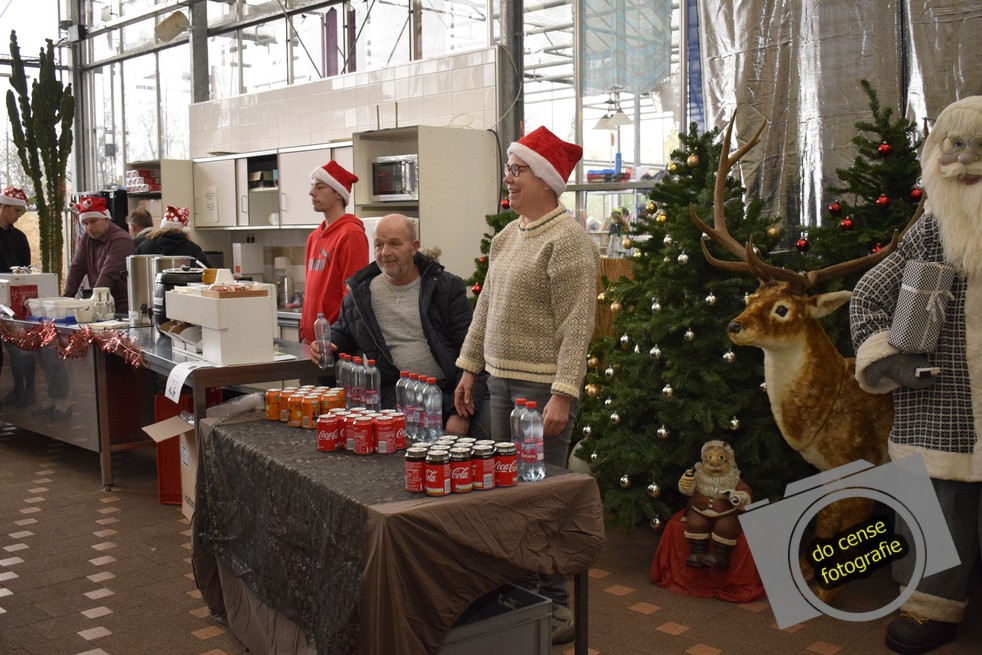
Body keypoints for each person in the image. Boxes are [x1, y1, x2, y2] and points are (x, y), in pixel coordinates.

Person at [453, 125, 599, 645]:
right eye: (509, 170)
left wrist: (564, 392)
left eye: (516, 170)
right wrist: (469, 367)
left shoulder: (569, 240)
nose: (508, 179)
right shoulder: (507, 237)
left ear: (544, 178)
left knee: (540, 500)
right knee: (507, 495)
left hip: (540, 394)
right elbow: (485, 308)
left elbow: (577, 325)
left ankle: (556, 606)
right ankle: (518, 595)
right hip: (499, 382)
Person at [850, 95, 982, 655]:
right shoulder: (930, 233)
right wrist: (891, 360)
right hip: (943, 404)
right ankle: (932, 605)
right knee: (941, 504)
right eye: (956, 145)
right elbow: (869, 295)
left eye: (979, 147)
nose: (966, 161)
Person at [310, 213, 491, 438]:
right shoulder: (360, 294)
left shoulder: (446, 288)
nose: (385, 253)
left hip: (448, 393)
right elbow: (344, 332)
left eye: (394, 244)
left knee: (490, 431)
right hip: (394, 399)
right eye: (379, 245)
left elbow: (473, 350)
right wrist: (329, 343)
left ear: (414, 247)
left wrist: (460, 412)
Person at [300, 160, 368, 343]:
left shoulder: (351, 234)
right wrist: (304, 330)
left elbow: (353, 294)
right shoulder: (314, 237)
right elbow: (309, 290)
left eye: (320, 187)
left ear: (338, 193)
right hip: (311, 341)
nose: (312, 192)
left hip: (335, 342)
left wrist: (338, 337)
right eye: (312, 186)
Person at [63, 196, 135, 314]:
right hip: (100, 303)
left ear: (106, 219)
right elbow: (76, 268)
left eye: (93, 221)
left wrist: (92, 305)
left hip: (122, 308)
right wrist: (66, 301)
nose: (89, 228)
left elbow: (108, 275)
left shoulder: (120, 240)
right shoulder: (87, 238)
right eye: (85, 223)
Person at [0, 186, 35, 409]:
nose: (18, 216)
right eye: (15, 211)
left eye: (20, 212)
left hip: (15, 299)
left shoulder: (19, 237)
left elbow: (26, 269)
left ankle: (26, 391)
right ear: (3, 207)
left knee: (19, 348)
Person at [134, 205, 211, 267]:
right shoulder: (192, 248)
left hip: (149, 282)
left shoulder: (144, 246)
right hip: (183, 282)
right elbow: (208, 272)